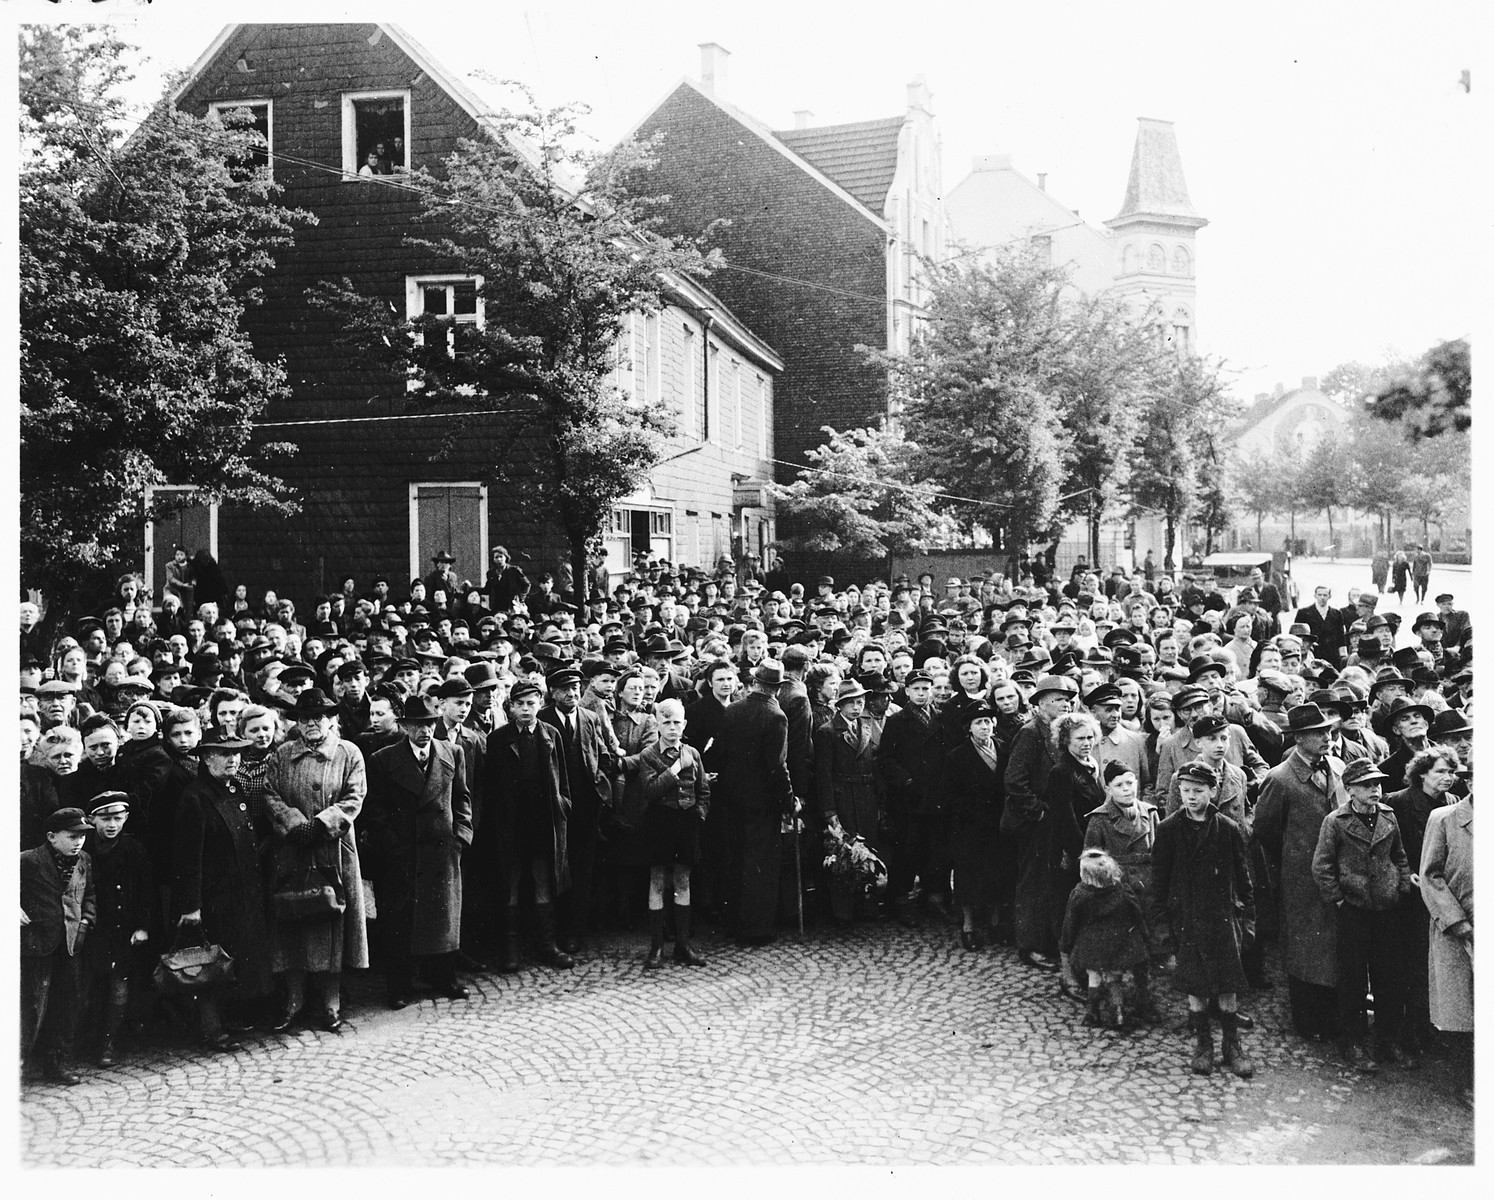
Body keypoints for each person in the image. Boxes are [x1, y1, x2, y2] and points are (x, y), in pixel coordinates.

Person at [262, 688, 370, 1033]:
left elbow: (356, 795)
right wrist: (294, 824)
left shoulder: (348, 752)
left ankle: (331, 1000)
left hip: (334, 849)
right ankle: (294, 1000)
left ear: (331, 720)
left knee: (333, 923)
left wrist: (323, 823)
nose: (311, 724)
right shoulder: (282, 754)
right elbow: (269, 792)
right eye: (305, 718)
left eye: (318, 717)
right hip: (293, 849)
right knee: (294, 920)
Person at [363, 694, 473, 1009]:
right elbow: (376, 810)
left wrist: (461, 836)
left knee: (443, 918)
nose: (423, 731)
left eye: (428, 724)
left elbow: (462, 799)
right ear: (404, 726)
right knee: (400, 921)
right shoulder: (384, 759)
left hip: (442, 852)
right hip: (402, 853)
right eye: (416, 725)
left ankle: (444, 978)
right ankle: (399, 986)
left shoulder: (452, 753)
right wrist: (392, 846)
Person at [1153, 760, 1256, 1078]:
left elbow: (1243, 877)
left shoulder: (1227, 827)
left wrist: (1248, 920)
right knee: (1195, 985)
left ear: (1213, 791)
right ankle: (1203, 1045)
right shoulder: (1169, 829)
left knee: (1228, 985)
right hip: (1186, 918)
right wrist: (1163, 931)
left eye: (1198, 791)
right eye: (1185, 791)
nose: (1190, 797)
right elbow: (1159, 881)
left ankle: (1231, 1045)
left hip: (1221, 918)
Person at [1311, 759, 1414, 1072]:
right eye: (1367, 785)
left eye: (1378, 784)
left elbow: (1399, 855)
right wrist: (1340, 901)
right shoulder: (1336, 821)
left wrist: (1401, 886)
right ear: (1350, 789)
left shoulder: (1388, 816)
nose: (1375, 790)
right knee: (1353, 979)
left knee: (1389, 977)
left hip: (1386, 908)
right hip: (1354, 911)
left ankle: (1387, 1041)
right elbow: (1322, 866)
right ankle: (1352, 1043)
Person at [1253, 703, 1349, 1040]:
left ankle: (1336, 1015)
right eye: (1319, 733)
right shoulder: (1279, 779)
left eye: (1328, 731)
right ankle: (1308, 1022)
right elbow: (1265, 830)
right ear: (1299, 738)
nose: (1327, 738)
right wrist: (1293, 858)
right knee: (1305, 947)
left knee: (1335, 945)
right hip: (1299, 877)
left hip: (1337, 872)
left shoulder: (1337, 767)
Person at [173, 734, 273, 1052]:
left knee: (236, 958)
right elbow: (188, 856)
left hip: (243, 893)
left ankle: (232, 1018)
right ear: (205, 758)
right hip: (213, 896)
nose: (232, 760)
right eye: (223, 754)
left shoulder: (235, 788)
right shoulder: (195, 796)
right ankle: (210, 1028)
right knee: (210, 961)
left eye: (237, 755)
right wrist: (191, 906)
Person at [485, 680, 574, 968]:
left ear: (540, 704)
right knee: (510, 884)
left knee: (543, 882)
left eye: (531, 703)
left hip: (542, 822)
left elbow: (564, 778)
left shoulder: (551, 735)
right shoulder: (498, 739)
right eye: (520, 704)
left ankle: (547, 946)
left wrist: (562, 805)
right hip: (511, 824)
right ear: (510, 707)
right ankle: (511, 950)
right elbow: (491, 788)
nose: (526, 709)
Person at [540, 664, 622, 954]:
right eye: (564, 689)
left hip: (586, 807)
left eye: (575, 688)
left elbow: (600, 752)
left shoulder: (588, 717)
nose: (571, 694)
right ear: (552, 692)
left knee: (584, 870)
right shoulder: (542, 719)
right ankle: (557, 932)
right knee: (558, 870)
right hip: (557, 809)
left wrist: (600, 781)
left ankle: (577, 931)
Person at [1385, 748, 1459, 1057]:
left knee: (1435, 964)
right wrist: (1405, 874)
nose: (1448, 777)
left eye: (1451, 772)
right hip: (1410, 898)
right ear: (1422, 773)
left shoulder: (1453, 804)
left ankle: (1429, 1025)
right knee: (1410, 963)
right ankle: (1407, 1030)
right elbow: (1386, 848)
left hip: (1441, 895)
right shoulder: (1398, 802)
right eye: (1441, 771)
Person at [716, 660, 796, 945]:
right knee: (760, 865)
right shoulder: (776, 716)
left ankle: (731, 923)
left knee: (734, 859)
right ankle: (756, 929)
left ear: (755, 683)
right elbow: (777, 766)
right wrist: (789, 800)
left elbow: (721, 754)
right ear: (776, 688)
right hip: (762, 803)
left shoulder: (733, 709)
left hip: (731, 798)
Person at [20, 807, 97, 1085]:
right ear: (51, 837)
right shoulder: (29, 861)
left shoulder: (84, 860)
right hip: (36, 945)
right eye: (72, 836)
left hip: (71, 945)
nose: (78, 842)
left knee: (66, 1006)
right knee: (30, 1007)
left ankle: (57, 1064)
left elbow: (89, 894)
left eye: (82, 837)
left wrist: (86, 921)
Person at [77, 793, 152, 1067]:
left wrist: (143, 926)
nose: (111, 825)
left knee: (119, 984)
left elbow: (147, 891)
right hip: (95, 927)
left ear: (126, 818)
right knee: (91, 985)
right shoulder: (84, 851)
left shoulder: (134, 849)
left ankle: (109, 1041)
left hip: (123, 928)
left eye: (118, 818)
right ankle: (87, 1038)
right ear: (92, 819)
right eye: (105, 818)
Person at [637, 698, 710, 967]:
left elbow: (703, 790)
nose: (672, 727)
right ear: (656, 724)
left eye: (676, 722)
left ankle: (682, 944)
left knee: (683, 881)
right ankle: (656, 947)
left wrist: (698, 814)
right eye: (666, 722)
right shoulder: (648, 755)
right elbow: (651, 790)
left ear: (684, 724)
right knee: (657, 881)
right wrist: (676, 768)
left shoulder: (693, 752)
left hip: (686, 823)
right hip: (659, 822)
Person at [1417, 788, 1473, 1102]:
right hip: (1458, 930)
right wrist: (1456, 920)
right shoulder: (1445, 819)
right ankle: (1465, 1081)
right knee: (1460, 1009)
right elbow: (1430, 874)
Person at [1059, 848, 1151, 1030]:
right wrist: (1144, 938)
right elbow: (1137, 916)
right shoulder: (1123, 891)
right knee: (1114, 979)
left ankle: (1092, 1014)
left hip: (1091, 948)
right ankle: (1119, 1014)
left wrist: (1066, 944)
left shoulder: (1079, 895)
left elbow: (1070, 923)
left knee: (1094, 978)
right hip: (1118, 946)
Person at [944, 704, 1007, 950]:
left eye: (988, 721)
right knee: (969, 877)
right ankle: (968, 926)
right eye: (979, 722)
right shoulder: (957, 756)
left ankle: (994, 923)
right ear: (968, 728)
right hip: (970, 826)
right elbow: (950, 797)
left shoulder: (1004, 749)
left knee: (998, 873)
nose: (985, 726)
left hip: (998, 824)